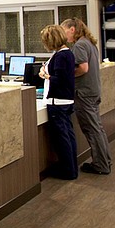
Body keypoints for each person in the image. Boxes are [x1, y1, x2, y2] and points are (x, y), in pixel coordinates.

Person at [63, 17, 111, 175]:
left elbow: (83, 68)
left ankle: (100, 165)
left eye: (64, 32)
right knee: (98, 128)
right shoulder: (89, 43)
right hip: (92, 91)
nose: (64, 36)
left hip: (84, 93)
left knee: (92, 130)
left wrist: (67, 75)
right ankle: (104, 161)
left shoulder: (80, 45)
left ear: (72, 29)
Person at [39, 24, 77, 179]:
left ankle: (67, 171)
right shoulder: (66, 53)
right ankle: (71, 168)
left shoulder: (61, 56)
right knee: (68, 135)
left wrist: (46, 76)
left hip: (58, 102)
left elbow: (59, 79)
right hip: (65, 101)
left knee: (62, 138)